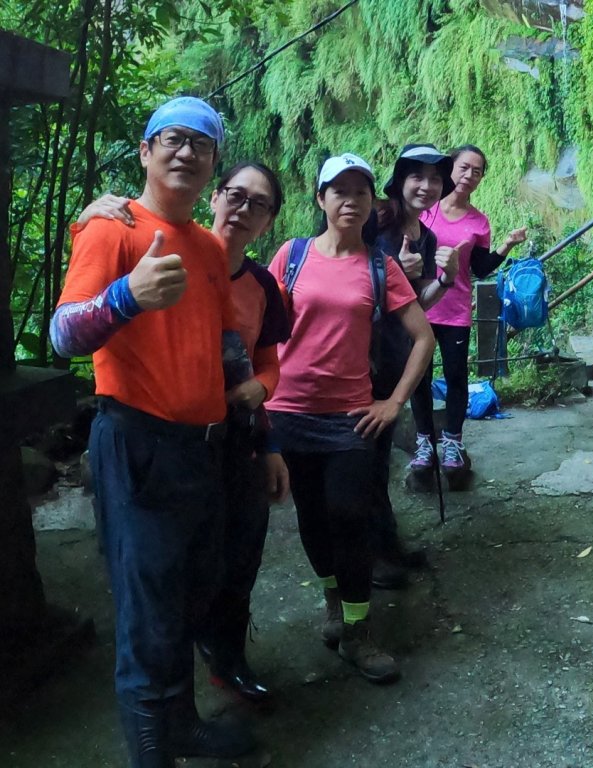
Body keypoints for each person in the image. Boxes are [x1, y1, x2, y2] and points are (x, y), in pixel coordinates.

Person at [50, 96, 256, 767]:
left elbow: (224, 337)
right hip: (136, 445)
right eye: (172, 138)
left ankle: (182, 728)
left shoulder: (205, 245)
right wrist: (125, 296)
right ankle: (152, 757)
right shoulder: (110, 230)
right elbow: (61, 336)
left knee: (191, 597)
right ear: (145, 151)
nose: (187, 152)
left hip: (203, 450)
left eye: (202, 144)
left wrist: (251, 398)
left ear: (213, 166)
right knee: (147, 615)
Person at [76, 162, 292, 705]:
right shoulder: (155, 242)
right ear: (213, 196)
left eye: (258, 204)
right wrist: (89, 221)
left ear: (268, 222)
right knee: (172, 578)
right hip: (162, 439)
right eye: (236, 196)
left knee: (234, 558)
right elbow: (85, 310)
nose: (243, 210)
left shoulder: (263, 284)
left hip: (237, 436)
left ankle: (227, 661)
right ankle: (173, 700)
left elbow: (268, 362)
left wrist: (262, 405)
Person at [265, 154, 435, 684]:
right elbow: (258, 330)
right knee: (312, 520)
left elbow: (424, 337)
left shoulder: (378, 267)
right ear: (320, 200)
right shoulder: (290, 257)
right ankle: (334, 604)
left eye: (359, 192)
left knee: (350, 517)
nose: (349, 200)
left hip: (350, 418)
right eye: (337, 191)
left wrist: (394, 402)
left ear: (370, 203)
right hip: (287, 413)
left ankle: (359, 632)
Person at [369, 144, 460, 589]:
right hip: (361, 356)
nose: (426, 186)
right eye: (417, 176)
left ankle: (386, 548)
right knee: (363, 459)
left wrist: (445, 278)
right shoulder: (375, 217)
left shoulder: (425, 236)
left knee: (379, 455)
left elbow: (417, 304)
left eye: (435, 179)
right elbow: (343, 271)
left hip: (395, 355)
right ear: (400, 179)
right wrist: (391, 273)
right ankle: (372, 557)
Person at [408, 145, 527, 485]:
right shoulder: (423, 211)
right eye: (464, 167)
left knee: (457, 377)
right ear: (449, 169)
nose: (469, 176)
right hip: (419, 309)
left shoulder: (478, 222)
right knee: (419, 379)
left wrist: (506, 244)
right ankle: (423, 442)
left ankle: (452, 444)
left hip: (456, 310)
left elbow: (480, 267)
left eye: (477, 171)